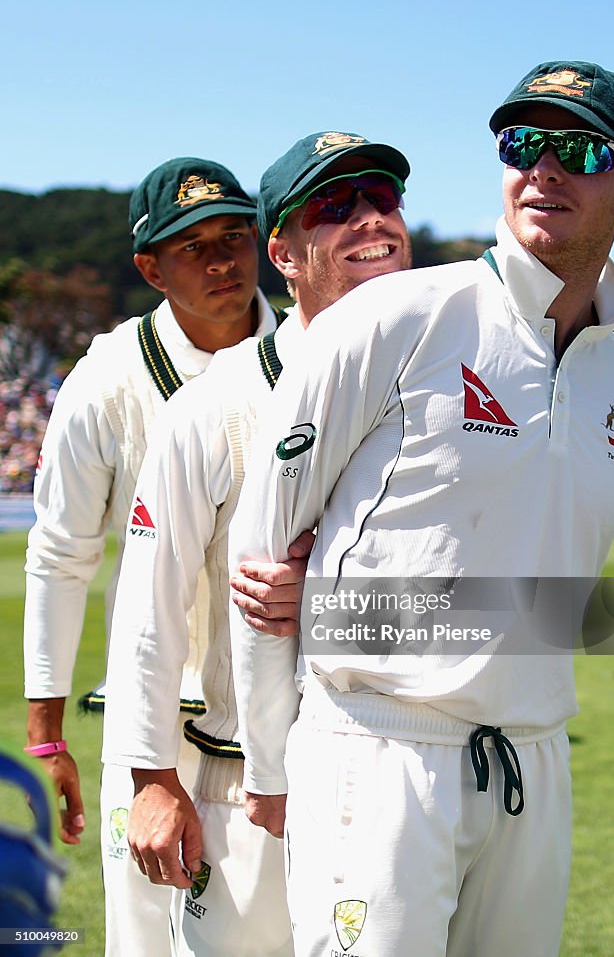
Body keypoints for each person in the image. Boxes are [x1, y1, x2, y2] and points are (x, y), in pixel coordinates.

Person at [228, 61, 614, 957]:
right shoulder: (398, 316)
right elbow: (262, 553)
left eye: (578, 149)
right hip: (378, 749)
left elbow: (544, 594)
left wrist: (343, 599)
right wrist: (271, 763)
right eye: (523, 143)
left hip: (534, 760)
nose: (543, 169)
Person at [100, 132, 413, 956]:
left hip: (404, 773)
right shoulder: (213, 405)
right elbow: (149, 605)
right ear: (282, 250)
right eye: (334, 206)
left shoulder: (446, 388)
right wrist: (151, 779)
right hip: (240, 783)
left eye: (383, 198)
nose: (370, 219)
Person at [23, 156, 284, 957]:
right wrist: (47, 736)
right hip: (155, 726)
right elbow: (63, 554)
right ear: (149, 266)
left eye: (235, 236)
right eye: (191, 245)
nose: (220, 261)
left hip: (286, 716)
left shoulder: (317, 352)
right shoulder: (106, 381)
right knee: (144, 941)